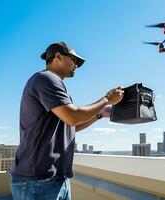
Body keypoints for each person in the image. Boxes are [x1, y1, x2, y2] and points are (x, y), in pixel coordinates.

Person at [10, 42, 124, 200]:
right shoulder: (45, 79)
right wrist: (107, 99)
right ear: (58, 57)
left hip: (56, 178)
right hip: (37, 181)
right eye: (74, 60)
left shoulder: (54, 84)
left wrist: (99, 114)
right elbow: (73, 116)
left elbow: (71, 125)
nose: (76, 65)